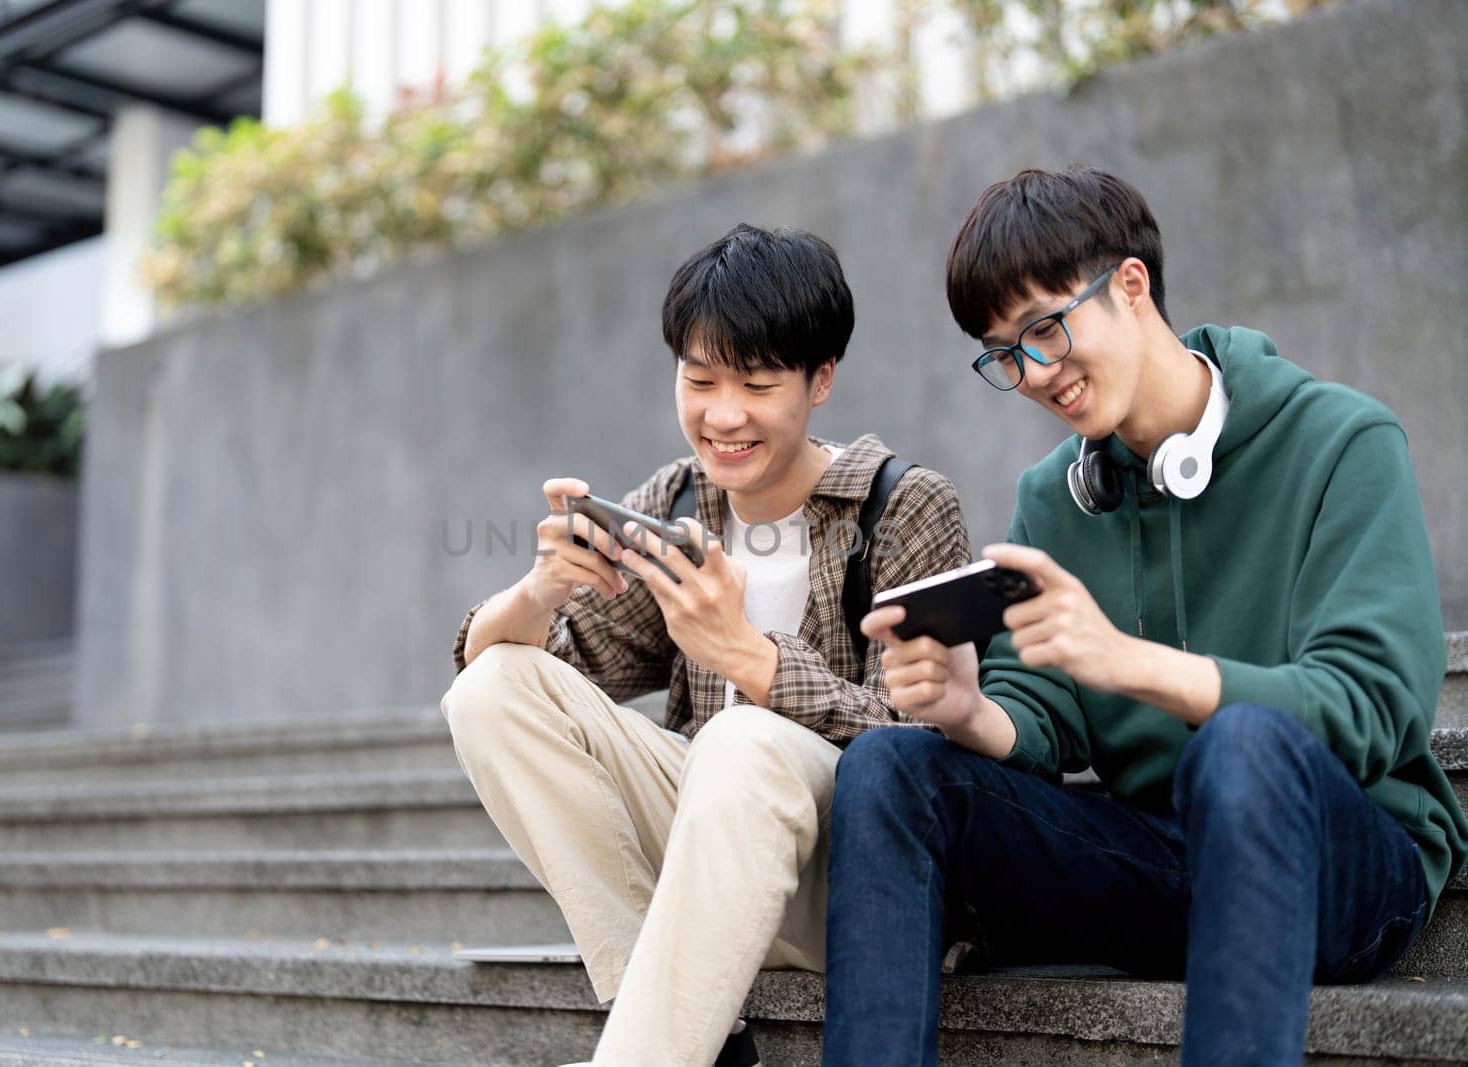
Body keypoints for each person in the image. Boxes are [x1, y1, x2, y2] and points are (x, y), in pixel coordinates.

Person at [822, 166, 1468, 1066]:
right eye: (1005, 354)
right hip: (1163, 861)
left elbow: (1371, 708)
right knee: (893, 764)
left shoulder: (1343, 443)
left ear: (1131, 285)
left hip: (1345, 860)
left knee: (1239, 745)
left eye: (1045, 328)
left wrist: (1125, 660)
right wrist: (970, 707)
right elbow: (1045, 718)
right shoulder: (1055, 496)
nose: (1036, 374)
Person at [440, 223, 969, 1066]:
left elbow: (928, 753)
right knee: (490, 688)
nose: (723, 416)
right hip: (711, 859)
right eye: (699, 379)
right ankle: (701, 1035)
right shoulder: (680, 499)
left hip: (854, 886)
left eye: (758, 384)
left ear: (821, 379)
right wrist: (542, 589)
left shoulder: (900, 505)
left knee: (745, 736)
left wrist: (748, 656)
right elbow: (538, 678)